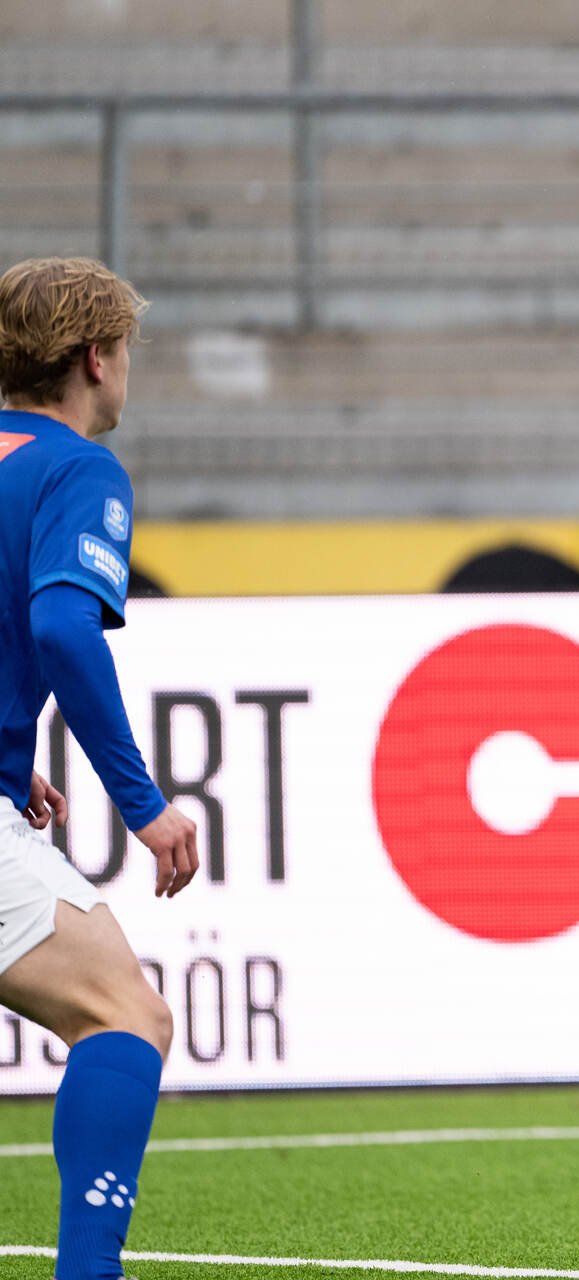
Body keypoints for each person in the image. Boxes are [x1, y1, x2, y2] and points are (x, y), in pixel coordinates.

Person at [0, 257, 201, 1280]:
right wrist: (142, 803)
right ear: (94, 357)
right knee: (127, 1014)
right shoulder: (77, 470)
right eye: (126, 349)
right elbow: (62, 631)